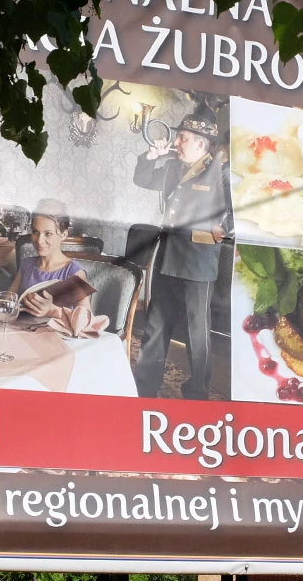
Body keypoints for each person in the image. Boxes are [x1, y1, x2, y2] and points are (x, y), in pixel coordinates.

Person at [132, 104, 232, 399]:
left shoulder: (220, 171)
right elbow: (142, 179)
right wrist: (151, 156)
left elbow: (238, 214)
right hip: (166, 258)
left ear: (200, 144)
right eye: (178, 137)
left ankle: (197, 391)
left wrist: (219, 230)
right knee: (156, 325)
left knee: (196, 333)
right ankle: (145, 385)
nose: (176, 142)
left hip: (197, 263)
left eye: (182, 138)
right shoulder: (173, 167)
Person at [8, 199, 92, 318]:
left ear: (63, 234)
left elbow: (86, 318)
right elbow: (8, 298)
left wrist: (52, 311)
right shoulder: (26, 265)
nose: (39, 240)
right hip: (23, 327)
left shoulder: (73, 273)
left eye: (48, 234)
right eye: (36, 232)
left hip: (57, 330)